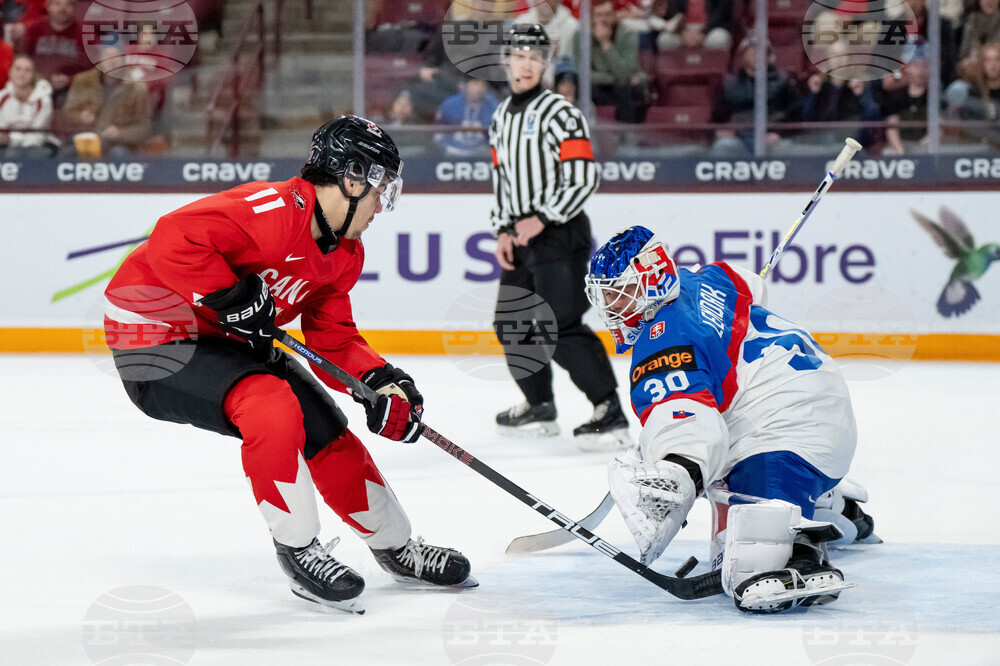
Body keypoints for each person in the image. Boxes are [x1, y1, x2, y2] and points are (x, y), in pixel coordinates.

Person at [102, 115, 476, 615]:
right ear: (351, 178)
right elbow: (173, 236)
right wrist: (229, 294)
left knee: (327, 428)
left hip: (228, 336)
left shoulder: (345, 252)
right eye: (379, 188)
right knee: (272, 405)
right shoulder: (272, 210)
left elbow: (333, 337)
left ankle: (396, 546)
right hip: (154, 334)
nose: (382, 205)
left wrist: (378, 381)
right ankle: (298, 550)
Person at [585, 226, 877, 613]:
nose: (610, 307)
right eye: (604, 296)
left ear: (651, 280)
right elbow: (751, 285)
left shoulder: (664, 341)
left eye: (616, 293)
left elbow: (689, 428)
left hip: (783, 427)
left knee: (744, 570)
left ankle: (803, 550)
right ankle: (832, 505)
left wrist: (673, 478)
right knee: (721, 467)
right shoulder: (704, 278)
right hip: (812, 405)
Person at [489, 23, 628, 451]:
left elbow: (584, 176)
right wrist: (503, 229)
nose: (526, 64)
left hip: (559, 233)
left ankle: (609, 410)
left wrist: (543, 218)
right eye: (519, 55)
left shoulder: (561, 113)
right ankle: (539, 404)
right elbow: (502, 181)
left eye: (535, 56)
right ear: (507, 60)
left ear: (545, 63)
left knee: (559, 325)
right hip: (521, 235)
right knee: (511, 322)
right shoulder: (500, 117)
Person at [58, 45, 153, 157]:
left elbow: (145, 127)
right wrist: (80, 117)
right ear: (100, 59)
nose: (111, 61)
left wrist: (120, 133)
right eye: (107, 55)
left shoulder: (137, 88)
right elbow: (65, 115)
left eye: (116, 56)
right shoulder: (82, 81)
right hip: (86, 141)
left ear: (123, 60)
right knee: (65, 153)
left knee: (118, 154)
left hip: (120, 145)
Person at [574, 0, 649, 123]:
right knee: (588, 90)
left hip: (624, 88)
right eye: (599, 15)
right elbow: (582, 74)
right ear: (592, 17)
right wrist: (614, 78)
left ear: (615, 15)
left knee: (625, 90)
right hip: (597, 87)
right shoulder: (581, 36)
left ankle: (628, 137)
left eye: (607, 14)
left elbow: (626, 71)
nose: (603, 19)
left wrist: (606, 44)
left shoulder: (628, 34)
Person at [10, 0, 89, 105]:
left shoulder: (85, 34)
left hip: (70, 90)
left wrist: (69, 79)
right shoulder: (32, 29)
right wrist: (35, 77)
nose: (62, 9)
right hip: (35, 85)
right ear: (48, 7)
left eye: (68, 5)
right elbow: (21, 61)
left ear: (75, 8)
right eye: (57, 4)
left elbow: (92, 71)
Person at [0, 53, 57, 156]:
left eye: (27, 70)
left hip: (35, 152)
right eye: (18, 69)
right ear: (10, 72)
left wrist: (12, 141)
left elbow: (37, 137)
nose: (22, 74)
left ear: (33, 74)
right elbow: (2, 135)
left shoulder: (43, 101)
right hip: (5, 152)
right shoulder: (1, 98)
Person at [434, 76, 498, 157]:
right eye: (475, 83)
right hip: (452, 155)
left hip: (482, 158)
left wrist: (487, 150)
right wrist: (450, 149)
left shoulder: (494, 108)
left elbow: (496, 139)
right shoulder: (449, 105)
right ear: (464, 85)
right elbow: (440, 137)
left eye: (483, 84)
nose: (479, 88)